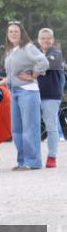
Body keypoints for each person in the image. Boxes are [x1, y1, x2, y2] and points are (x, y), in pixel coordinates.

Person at [0, 22, 48, 170]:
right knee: (16, 129)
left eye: (16, 31)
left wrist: (33, 74)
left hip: (28, 91)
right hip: (14, 91)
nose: (13, 34)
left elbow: (44, 62)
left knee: (30, 127)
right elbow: (12, 76)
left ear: (21, 33)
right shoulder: (12, 51)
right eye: (10, 31)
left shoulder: (28, 47)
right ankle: (22, 161)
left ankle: (33, 162)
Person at [37, 28, 64, 168]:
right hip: (34, 95)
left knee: (51, 127)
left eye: (48, 38)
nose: (45, 40)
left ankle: (52, 157)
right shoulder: (36, 53)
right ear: (39, 40)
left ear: (52, 40)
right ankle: (34, 157)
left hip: (51, 96)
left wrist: (33, 69)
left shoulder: (57, 53)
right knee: (33, 127)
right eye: (43, 38)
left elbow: (46, 65)